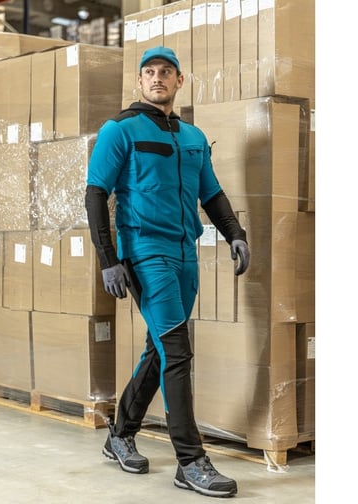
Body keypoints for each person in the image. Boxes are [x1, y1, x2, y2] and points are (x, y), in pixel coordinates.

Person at [84, 46, 250, 498]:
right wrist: (109, 259)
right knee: (177, 350)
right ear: (139, 82)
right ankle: (190, 461)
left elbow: (211, 193)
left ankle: (120, 434)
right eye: (149, 72)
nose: (157, 77)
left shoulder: (193, 136)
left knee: (160, 350)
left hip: (185, 255)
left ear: (179, 81)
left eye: (166, 72)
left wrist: (235, 233)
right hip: (144, 252)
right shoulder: (120, 130)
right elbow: (96, 194)